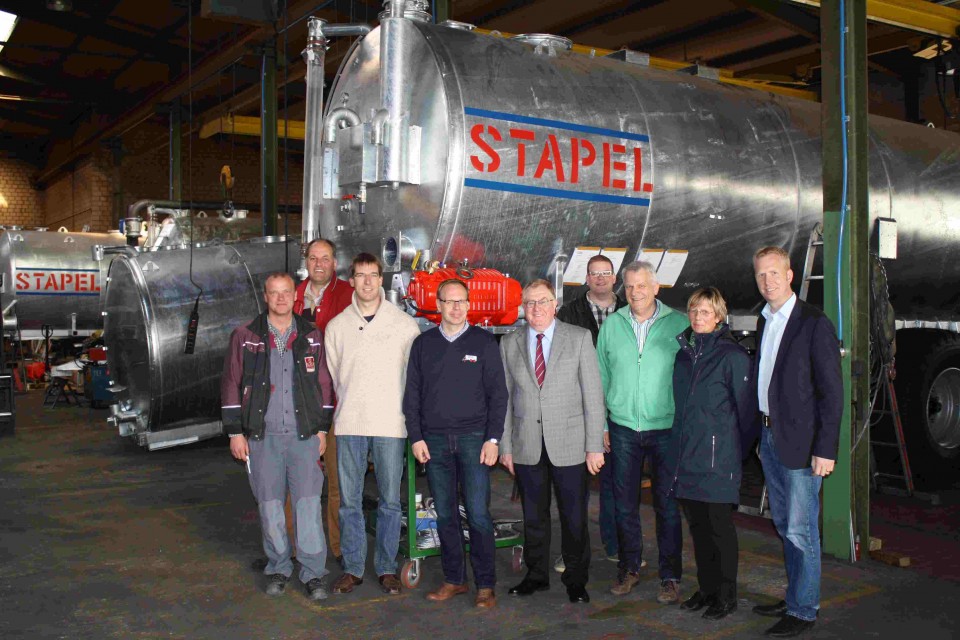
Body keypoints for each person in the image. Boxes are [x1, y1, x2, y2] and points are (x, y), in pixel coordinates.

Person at [221, 272, 335, 600]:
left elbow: (324, 384)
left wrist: (321, 429)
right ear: (266, 297)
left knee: (308, 507)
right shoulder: (244, 336)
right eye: (275, 293)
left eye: (287, 293)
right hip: (261, 437)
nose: (281, 299)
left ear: (294, 297)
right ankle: (279, 568)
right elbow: (231, 383)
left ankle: (314, 574)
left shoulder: (311, 335)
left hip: (303, 437)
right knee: (270, 508)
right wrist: (235, 433)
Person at [750, 246, 842, 638]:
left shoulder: (813, 323)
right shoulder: (765, 319)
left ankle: (804, 610)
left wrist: (826, 449)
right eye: (761, 275)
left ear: (790, 275)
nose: (768, 281)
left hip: (803, 445)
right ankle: (794, 597)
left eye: (775, 273)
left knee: (802, 529)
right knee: (785, 524)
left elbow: (832, 393)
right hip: (770, 436)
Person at [403, 278, 508, 609]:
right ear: (438, 304)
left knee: (477, 514)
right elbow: (412, 395)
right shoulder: (423, 344)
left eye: (461, 301)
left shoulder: (484, 342)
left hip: (474, 440)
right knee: (445, 514)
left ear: (469, 304)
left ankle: (486, 585)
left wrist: (493, 439)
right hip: (433, 440)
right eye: (449, 301)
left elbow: (498, 395)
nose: (456, 307)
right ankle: (454, 580)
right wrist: (416, 436)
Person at [499, 279, 605, 604]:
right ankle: (536, 576)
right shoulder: (509, 343)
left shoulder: (579, 338)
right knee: (534, 515)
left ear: (554, 304)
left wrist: (594, 445)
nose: (536, 309)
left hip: (570, 444)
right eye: (530, 303)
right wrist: (505, 446)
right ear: (522, 307)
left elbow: (593, 396)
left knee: (574, 516)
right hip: (527, 443)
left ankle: (576, 580)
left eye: (543, 301)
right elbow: (503, 398)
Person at [324, 253, 421, 596]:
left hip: (391, 425)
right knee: (349, 501)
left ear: (382, 279)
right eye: (360, 275)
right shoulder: (337, 327)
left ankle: (386, 567)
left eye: (373, 275)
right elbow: (337, 376)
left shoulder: (404, 326)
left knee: (390, 501)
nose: (366, 281)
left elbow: (413, 378)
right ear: (351, 280)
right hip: (350, 423)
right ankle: (352, 568)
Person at [596, 260, 688, 604]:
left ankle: (670, 575)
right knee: (624, 505)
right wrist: (603, 423)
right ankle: (630, 567)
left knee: (666, 505)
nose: (636, 292)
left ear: (656, 288)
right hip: (621, 427)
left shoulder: (679, 324)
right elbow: (600, 376)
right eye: (630, 286)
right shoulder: (613, 325)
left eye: (642, 285)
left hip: (665, 428)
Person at [670, 287, 754, 621]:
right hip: (687, 456)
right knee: (699, 528)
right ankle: (706, 589)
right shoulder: (683, 355)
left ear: (719, 316)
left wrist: (734, 454)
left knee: (720, 528)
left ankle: (726, 594)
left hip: (719, 460)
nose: (698, 317)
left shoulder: (732, 357)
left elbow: (747, 416)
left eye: (706, 312)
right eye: (694, 311)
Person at [556, 254, 629, 567]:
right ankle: (572, 552)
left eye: (606, 273)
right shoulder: (569, 312)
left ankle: (615, 546)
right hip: (578, 410)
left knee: (616, 484)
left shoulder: (629, 310)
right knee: (575, 489)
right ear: (586, 278)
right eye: (594, 273)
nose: (600, 278)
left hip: (618, 410)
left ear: (615, 278)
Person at [293, 238, 353, 565]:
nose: (319, 264)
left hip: (337, 402)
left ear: (334, 262)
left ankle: (339, 547)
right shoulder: (292, 295)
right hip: (298, 404)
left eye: (325, 258)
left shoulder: (347, 295)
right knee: (299, 480)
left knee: (337, 480)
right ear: (307, 261)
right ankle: (296, 546)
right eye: (313, 258)